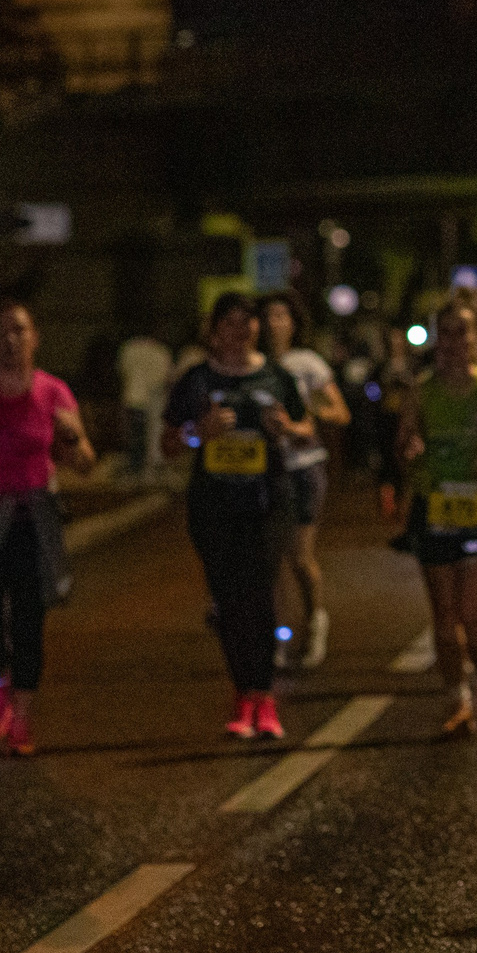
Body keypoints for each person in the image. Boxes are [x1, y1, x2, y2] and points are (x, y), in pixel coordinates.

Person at [163, 293, 317, 740]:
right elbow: (169, 443)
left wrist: (288, 430)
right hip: (213, 505)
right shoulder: (195, 380)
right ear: (213, 331)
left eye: (247, 321)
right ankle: (240, 694)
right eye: (229, 322)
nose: (240, 329)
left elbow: (308, 430)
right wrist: (199, 434)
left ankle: (264, 697)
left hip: (268, 502)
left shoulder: (276, 376)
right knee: (228, 601)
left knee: (262, 594)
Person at [0, 302, 93, 757]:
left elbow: (85, 462)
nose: (11, 339)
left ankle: (22, 718)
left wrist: (71, 436)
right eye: (1, 332)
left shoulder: (53, 391)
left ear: (35, 338)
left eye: (20, 330)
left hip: (31, 518)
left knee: (29, 618)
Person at [392, 293, 477, 735]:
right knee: (446, 621)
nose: (453, 341)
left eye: (462, 332)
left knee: (474, 612)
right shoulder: (421, 391)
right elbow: (404, 443)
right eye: (445, 333)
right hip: (436, 509)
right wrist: (409, 449)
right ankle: (457, 699)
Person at [261, 292, 351, 671]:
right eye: (267, 316)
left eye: (282, 316)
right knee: (270, 558)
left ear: (295, 322)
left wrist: (304, 415)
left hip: (303, 467)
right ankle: (276, 636)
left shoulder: (306, 363)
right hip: (263, 469)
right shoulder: (252, 365)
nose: (274, 324)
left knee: (298, 556)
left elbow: (340, 412)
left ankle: (315, 621)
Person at [117, 327, 173, 481]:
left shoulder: (128, 348)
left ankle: (135, 470)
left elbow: (123, 372)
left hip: (133, 398)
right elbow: (165, 378)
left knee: (135, 436)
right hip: (152, 401)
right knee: (150, 436)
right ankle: (146, 472)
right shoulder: (161, 352)